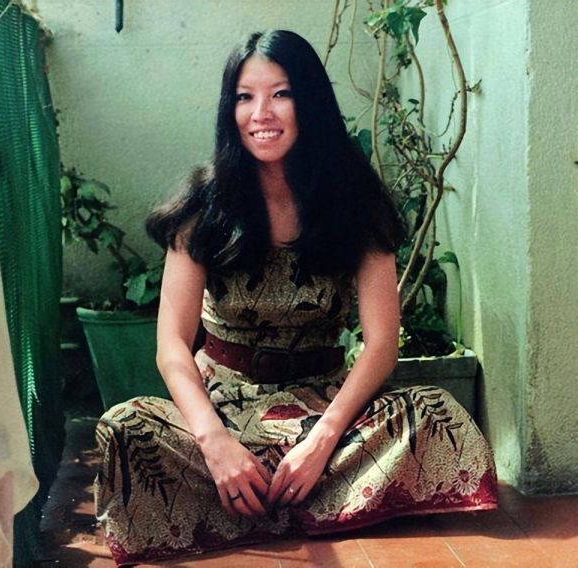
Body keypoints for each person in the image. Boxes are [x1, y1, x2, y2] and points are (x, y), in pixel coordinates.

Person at [94, 30, 497, 566]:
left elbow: (381, 344)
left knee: (434, 411)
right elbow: (171, 345)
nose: (261, 113)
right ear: (230, 109)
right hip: (223, 408)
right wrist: (214, 443)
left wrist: (323, 439)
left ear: (309, 100)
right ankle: (295, 497)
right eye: (245, 97)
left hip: (327, 410)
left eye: (280, 93)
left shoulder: (356, 200)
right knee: (125, 429)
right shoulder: (202, 206)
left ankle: (259, 501)